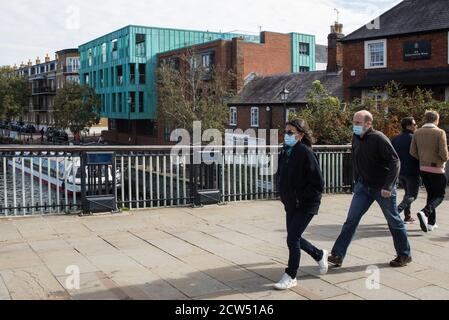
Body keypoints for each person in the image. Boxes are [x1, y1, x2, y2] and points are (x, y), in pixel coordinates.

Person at [328, 110, 412, 268]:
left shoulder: (379, 138)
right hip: (363, 187)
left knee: (394, 221)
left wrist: (388, 185)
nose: (355, 125)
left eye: (358, 122)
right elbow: (356, 159)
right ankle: (338, 254)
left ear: (368, 123)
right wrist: (356, 180)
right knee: (351, 221)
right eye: (354, 122)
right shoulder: (356, 138)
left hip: (382, 188)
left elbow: (395, 161)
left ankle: (404, 254)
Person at [274, 119, 328, 291]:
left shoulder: (305, 153)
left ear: (301, 135)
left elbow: (318, 183)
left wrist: (300, 198)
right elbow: (282, 175)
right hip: (291, 203)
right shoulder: (285, 151)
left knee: (292, 238)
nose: (287, 135)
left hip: (306, 204)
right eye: (285, 131)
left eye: (290, 132)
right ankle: (319, 254)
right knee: (294, 236)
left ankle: (291, 275)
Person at [410, 110, 449, 233]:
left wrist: (423, 159)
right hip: (437, 168)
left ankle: (431, 223)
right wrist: (445, 158)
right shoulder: (440, 132)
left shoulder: (417, 132)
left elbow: (412, 151)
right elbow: (443, 153)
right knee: (440, 195)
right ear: (436, 120)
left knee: (431, 194)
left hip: (423, 168)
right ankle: (425, 212)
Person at [391, 117, 420, 224]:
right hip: (412, 171)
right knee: (413, 195)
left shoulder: (395, 138)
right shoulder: (414, 138)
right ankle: (397, 211)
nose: (416, 126)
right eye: (414, 124)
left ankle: (407, 216)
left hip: (400, 171)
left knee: (408, 193)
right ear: (408, 126)